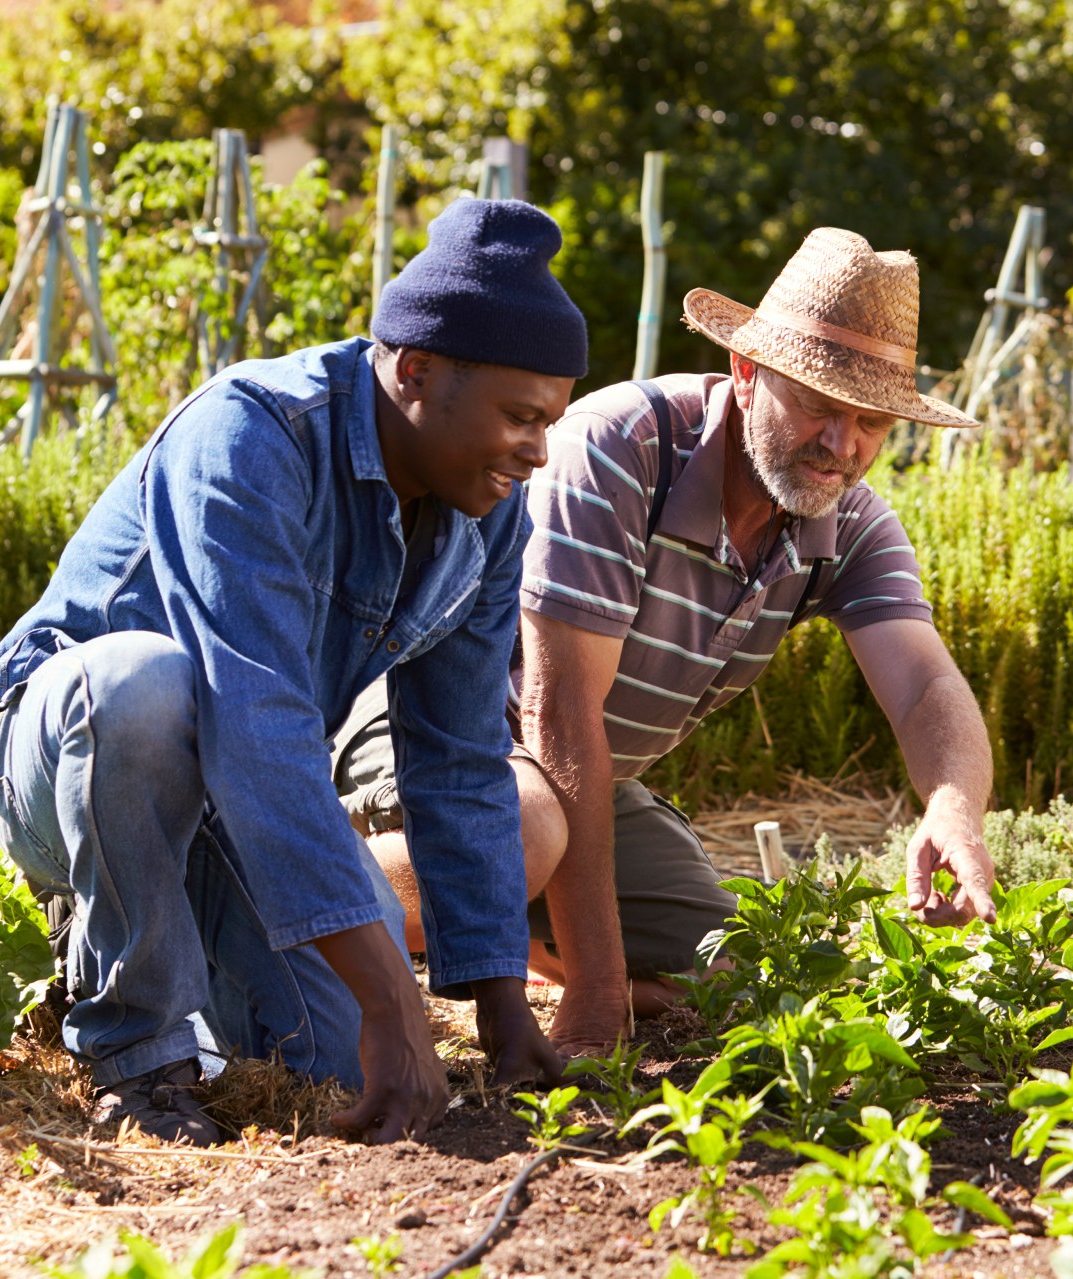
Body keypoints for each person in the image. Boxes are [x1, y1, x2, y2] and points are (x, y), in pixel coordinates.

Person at [0, 199, 581, 1145]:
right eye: (520, 418)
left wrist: (498, 1007)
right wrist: (394, 1001)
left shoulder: (487, 517)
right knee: (144, 682)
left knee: (333, 1057)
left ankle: (154, 945)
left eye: (552, 422)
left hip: (222, 796)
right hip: (63, 757)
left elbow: (457, 758)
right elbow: (256, 719)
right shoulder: (256, 435)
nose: (538, 451)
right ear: (415, 370)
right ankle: (140, 1055)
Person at [332, 226, 999, 1055]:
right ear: (747, 375)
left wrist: (953, 805)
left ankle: (521, 942)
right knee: (529, 830)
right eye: (821, 406)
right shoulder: (621, 448)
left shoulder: (845, 518)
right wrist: (600, 993)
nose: (844, 444)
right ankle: (286, 915)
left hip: (584, 783)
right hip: (438, 735)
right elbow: (557, 713)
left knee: (747, 969)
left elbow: (927, 686)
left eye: (871, 421)